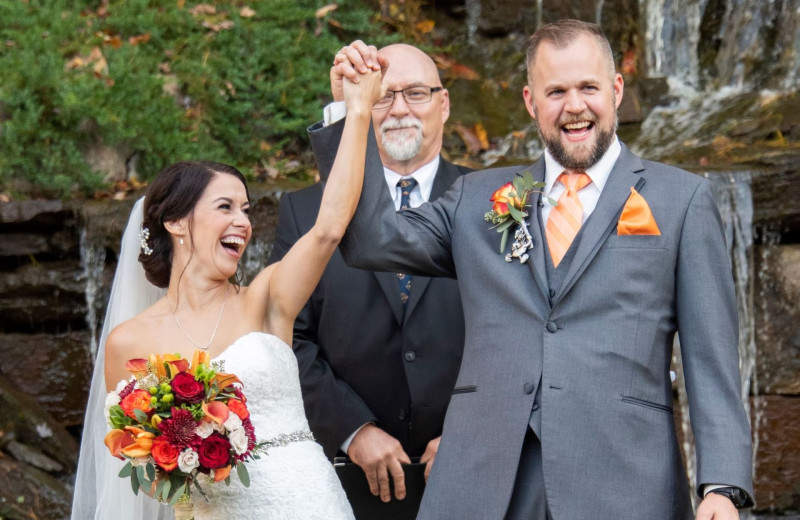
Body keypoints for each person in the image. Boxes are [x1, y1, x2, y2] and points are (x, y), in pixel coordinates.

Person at [310, 20, 754, 520]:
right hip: (480, 482)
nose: (575, 106)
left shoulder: (683, 200)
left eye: (588, 87)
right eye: (556, 91)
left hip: (622, 480)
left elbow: (711, 358)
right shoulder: (477, 198)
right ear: (530, 101)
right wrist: (350, 113)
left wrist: (722, 485)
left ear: (616, 90)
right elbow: (370, 238)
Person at [71, 66, 384, 519]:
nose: (244, 221)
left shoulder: (266, 298)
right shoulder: (128, 342)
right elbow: (138, 466)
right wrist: (182, 453)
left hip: (308, 502)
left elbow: (328, 229)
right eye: (225, 207)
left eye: (246, 209)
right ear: (176, 223)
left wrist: (356, 112)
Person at [268, 43, 471, 508]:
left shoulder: (493, 202)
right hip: (346, 483)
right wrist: (352, 431)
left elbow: (516, 333)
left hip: (470, 474)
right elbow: (285, 337)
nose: (399, 109)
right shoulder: (305, 213)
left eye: (416, 93)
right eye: (383, 95)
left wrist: (472, 428)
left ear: (444, 104)